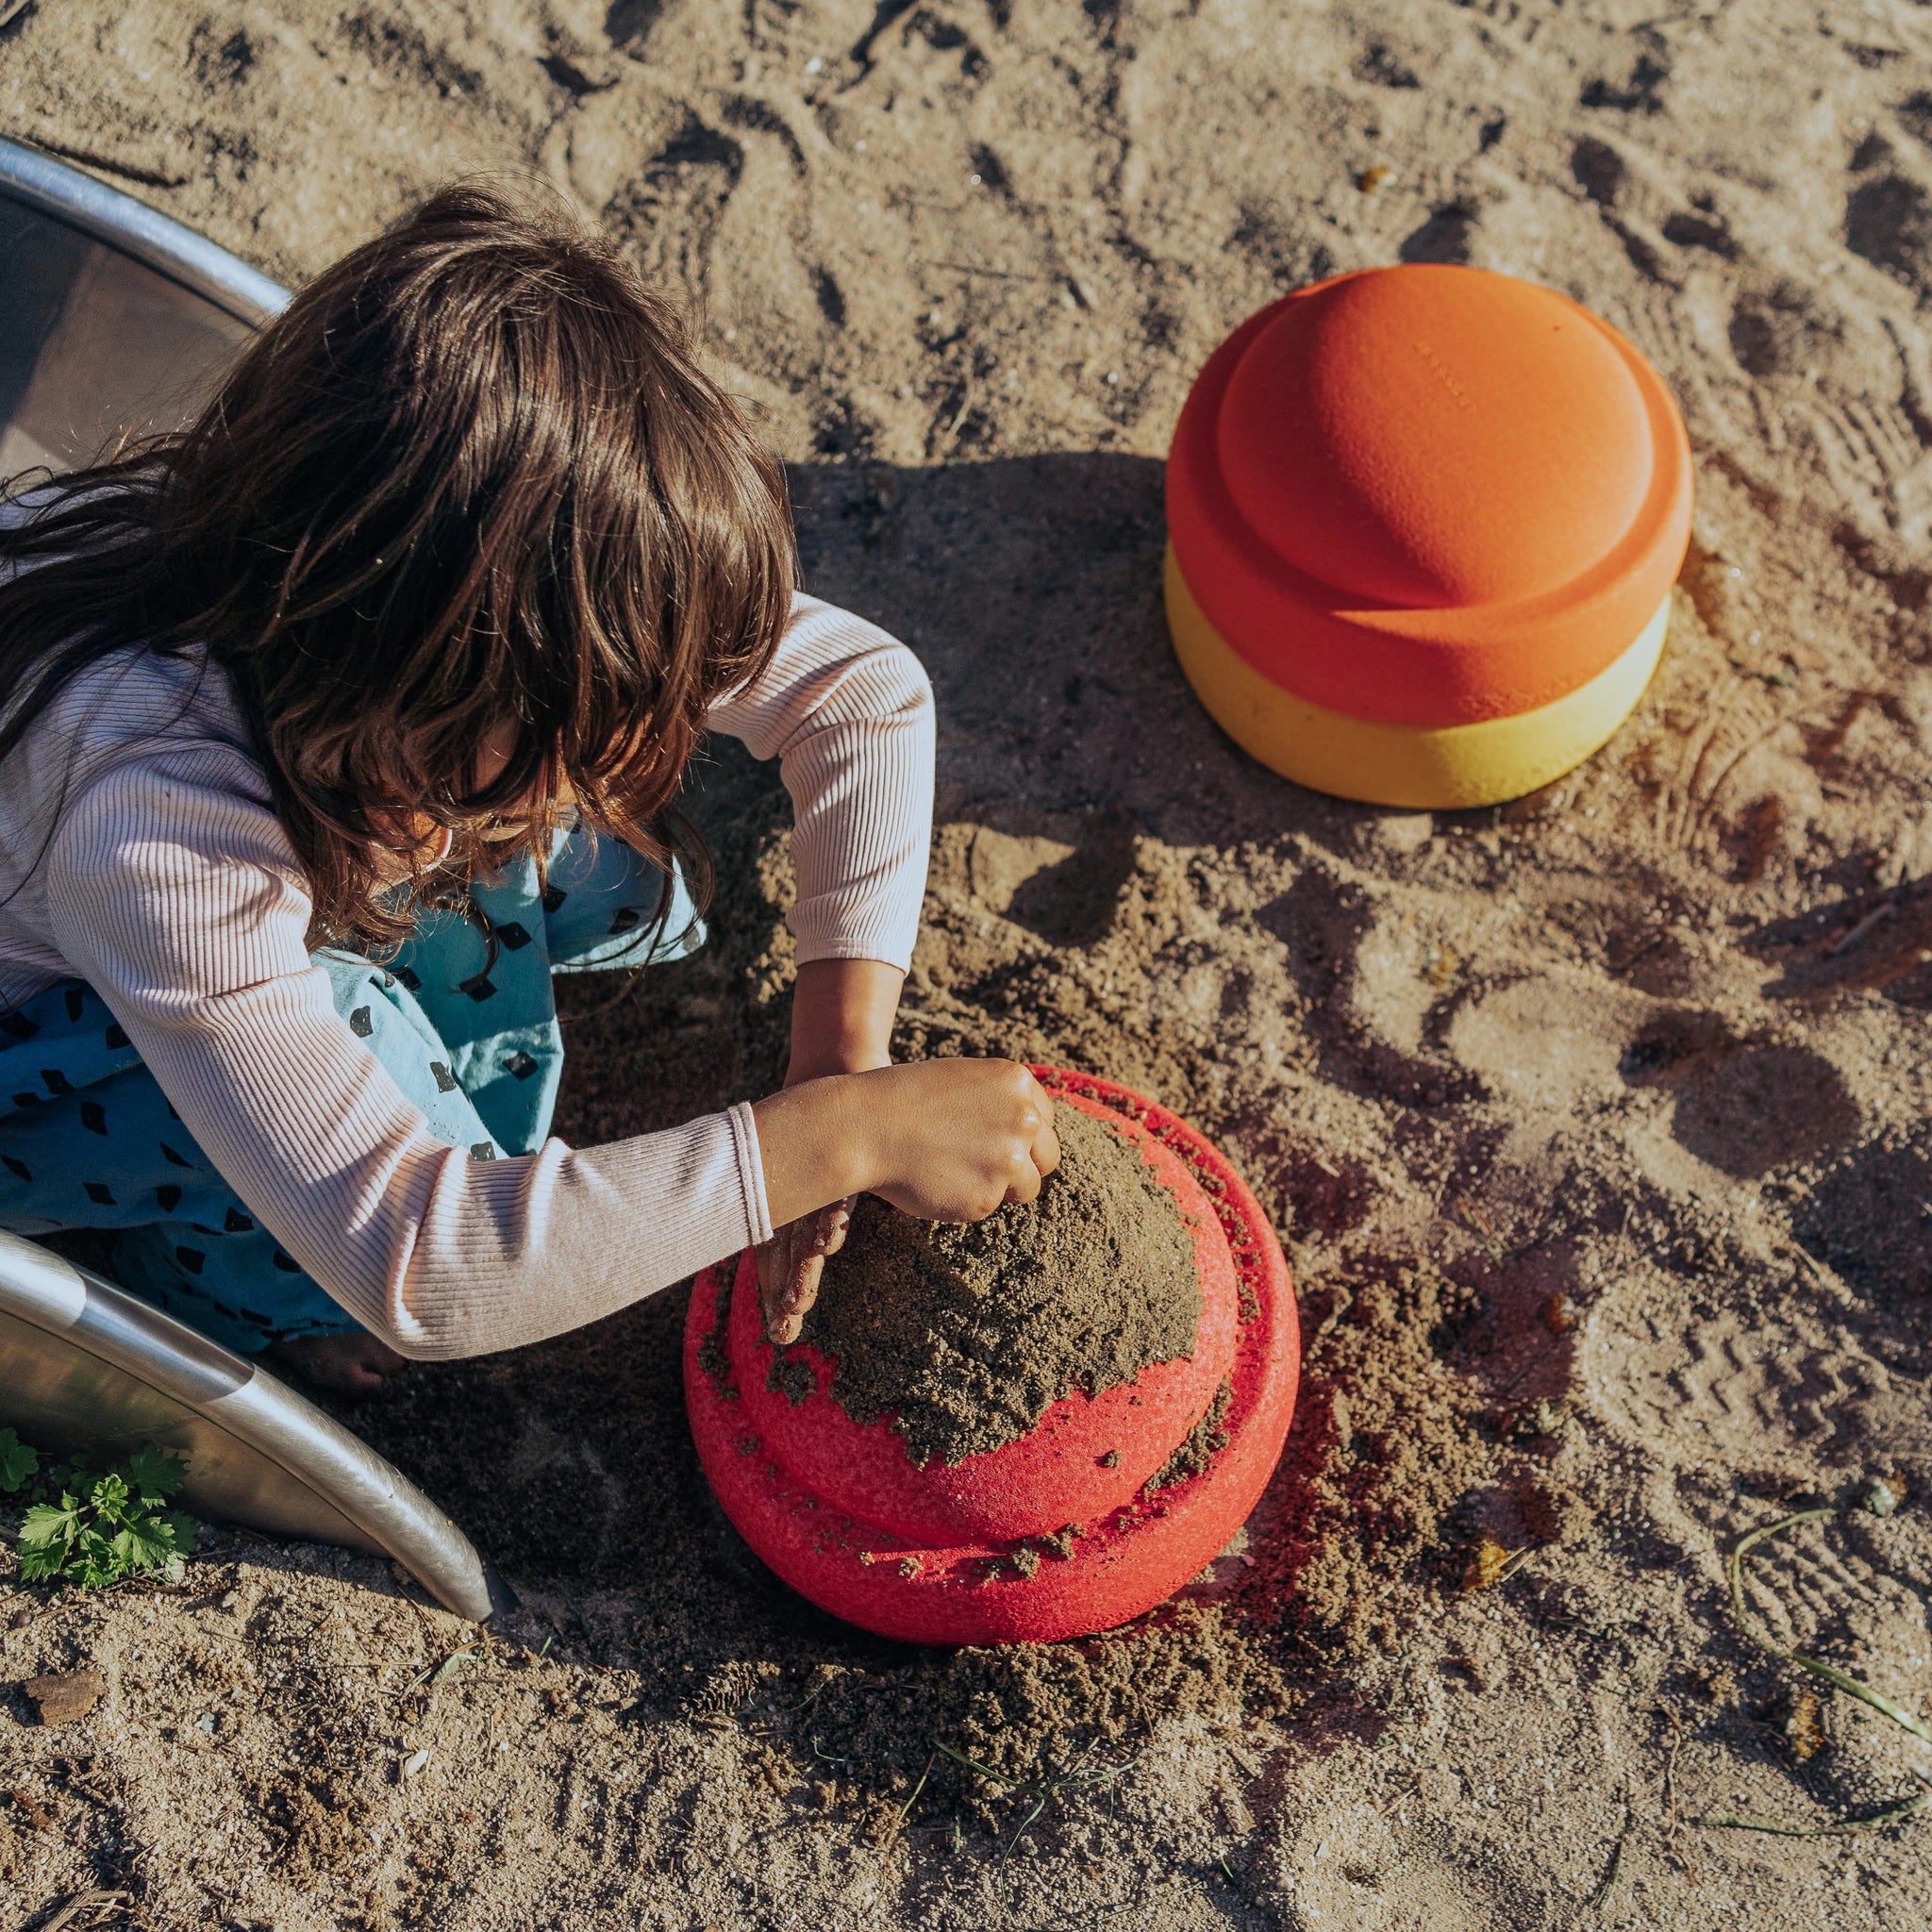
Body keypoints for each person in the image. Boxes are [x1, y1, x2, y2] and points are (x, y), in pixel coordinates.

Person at [0, 183, 1059, 1396]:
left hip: (298, 812)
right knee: (360, 1055)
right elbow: (425, 1259)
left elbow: (861, 694)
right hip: (42, 1056)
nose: (584, 779)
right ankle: (222, 1294)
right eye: (548, 743)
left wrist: (838, 1056)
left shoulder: (375, 615)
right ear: (406, 660)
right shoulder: (156, 834)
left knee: (578, 854)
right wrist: (841, 1137)